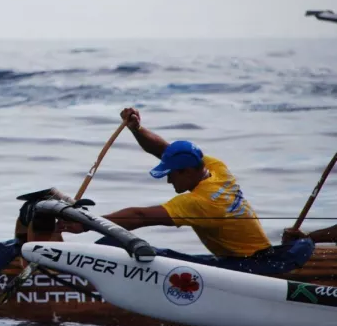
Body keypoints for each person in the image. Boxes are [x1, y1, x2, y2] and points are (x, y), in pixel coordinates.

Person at [53, 107, 313, 274]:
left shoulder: (201, 202)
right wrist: (137, 129)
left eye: (171, 175)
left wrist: (84, 224)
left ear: (188, 171)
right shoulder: (215, 168)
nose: (168, 182)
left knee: (118, 244)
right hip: (258, 256)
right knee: (122, 244)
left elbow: (140, 217)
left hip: (251, 269)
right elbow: (163, 149)